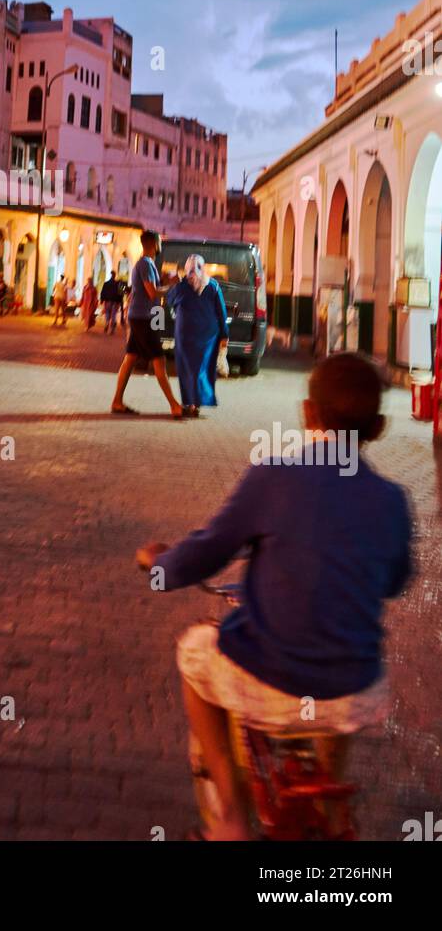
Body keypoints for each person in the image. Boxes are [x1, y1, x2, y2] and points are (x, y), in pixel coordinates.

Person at [136, 353, 413, 841]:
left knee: (194, 655)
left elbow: (205, 553)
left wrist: (159, 565)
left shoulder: (275, 475)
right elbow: (395, 581)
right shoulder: (392, 499)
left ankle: (229, 820)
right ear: (380, 427)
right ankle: (328, 813)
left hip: (275, 683)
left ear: (308, 413)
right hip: (357, 692)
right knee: (339, 681)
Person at [111, 230, 182, 418]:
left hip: (140, 316)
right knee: (159, 359)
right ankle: (175, 405)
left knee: (130, 358)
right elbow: (152, 292)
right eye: (159, 242)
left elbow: (151, 287)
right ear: (153, 244)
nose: (161, 245)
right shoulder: (146, 264)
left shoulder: (146, 264)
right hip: (144, 318)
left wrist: (165, 280)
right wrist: (173, 285)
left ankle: (117, 401)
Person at [166, 254, 229, 417]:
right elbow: (221, 312)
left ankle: (190, 403)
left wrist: (173, 284)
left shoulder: (181, 287)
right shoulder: (213, 285)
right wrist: (224, 334)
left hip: (185, 335)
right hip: (208, 336)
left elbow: (169, 301)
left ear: (187, 268)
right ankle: (197, 402)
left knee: (187, 369)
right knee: (201, 369)